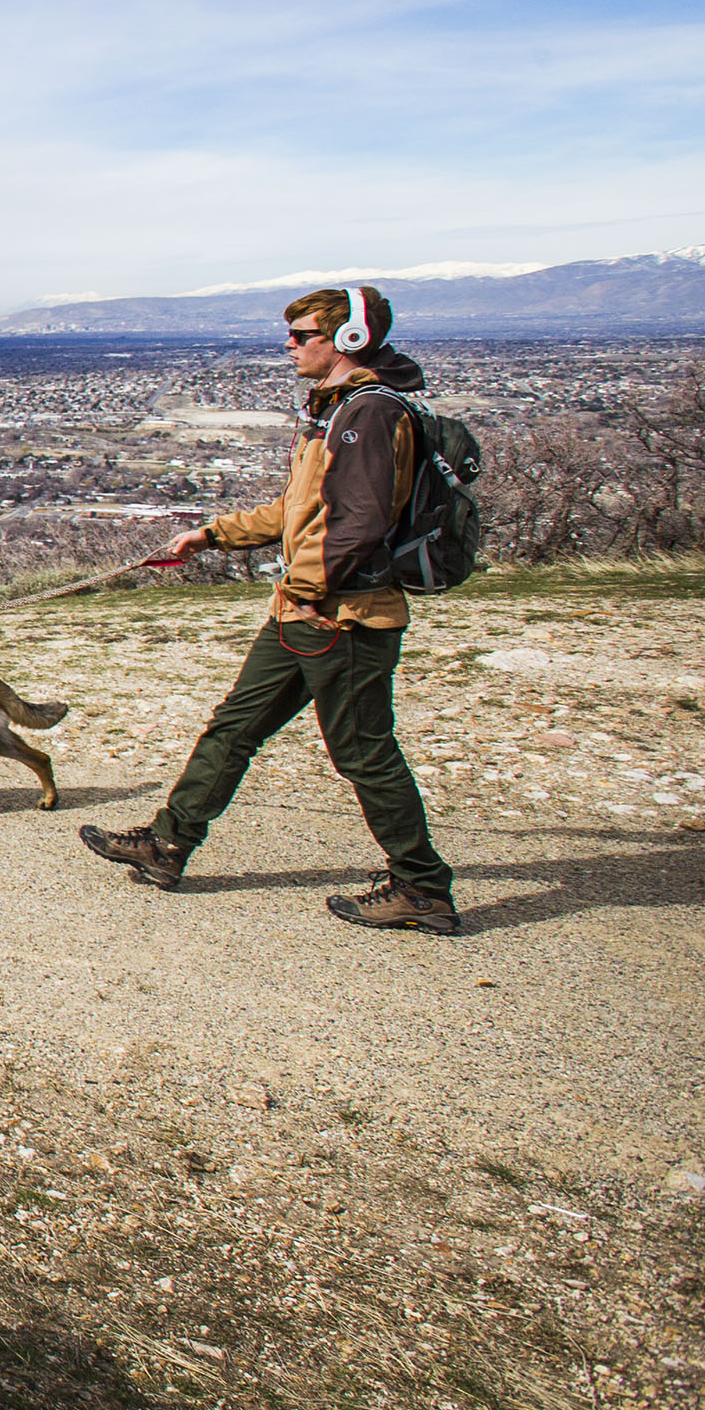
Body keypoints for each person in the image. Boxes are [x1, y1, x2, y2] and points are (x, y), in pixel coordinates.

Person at [79, 284, 459, 933]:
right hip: (302, 612)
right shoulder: (336, 413)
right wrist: (213, 533)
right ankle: (167, 844)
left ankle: (422, 886)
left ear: (348, 340)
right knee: (234, 727)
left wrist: (312, 595)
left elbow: (359, 524)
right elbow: (300, 509)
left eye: (302, 334)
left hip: (343, 616)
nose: (289, 346)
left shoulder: (368, 416)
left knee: (363, 751)